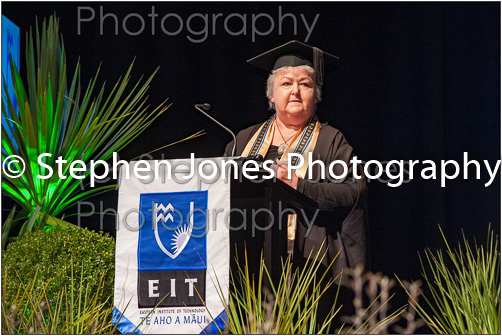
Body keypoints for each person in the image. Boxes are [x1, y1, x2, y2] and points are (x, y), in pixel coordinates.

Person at [225, 40, 369, 278]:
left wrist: (299, 186)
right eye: (286, 83)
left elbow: (354, 192)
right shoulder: (244, 140)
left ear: (316, 96)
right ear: (272, 95)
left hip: (310, 262)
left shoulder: (331, 140)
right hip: (247, 257)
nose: (295, 91)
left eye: (305, 84)